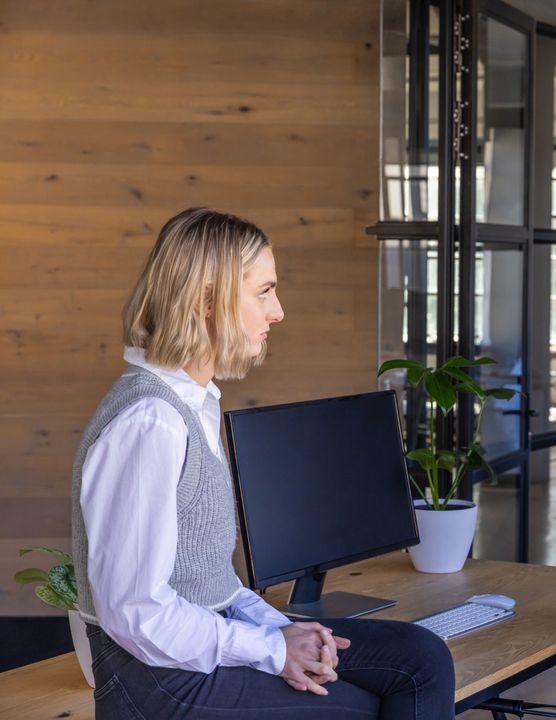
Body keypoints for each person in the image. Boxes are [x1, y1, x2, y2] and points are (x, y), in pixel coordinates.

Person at [71, 208, 455, 719]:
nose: (277, 312)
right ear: (207, 299)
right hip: (158, 683)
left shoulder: (195, 402)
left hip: (190, 655)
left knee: (421, 657)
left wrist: (279, 629)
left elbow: (208, 579)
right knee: (358, 705)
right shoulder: (151, 423)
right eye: (263, 291)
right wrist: (273, 651)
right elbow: (134, 614)